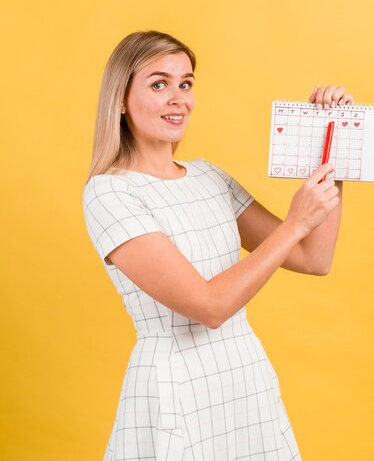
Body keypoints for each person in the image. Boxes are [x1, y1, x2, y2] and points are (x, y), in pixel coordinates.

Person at [82, 30, 354, 461]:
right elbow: (208, 306)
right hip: (176, 386)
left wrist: (332, 142)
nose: (178, 98)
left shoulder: (210, 177)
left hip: (242, 376)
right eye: (159, 84)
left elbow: (313, 257)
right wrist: (295, 222)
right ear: (120, 98)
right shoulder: (110, 194)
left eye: (185, 83)